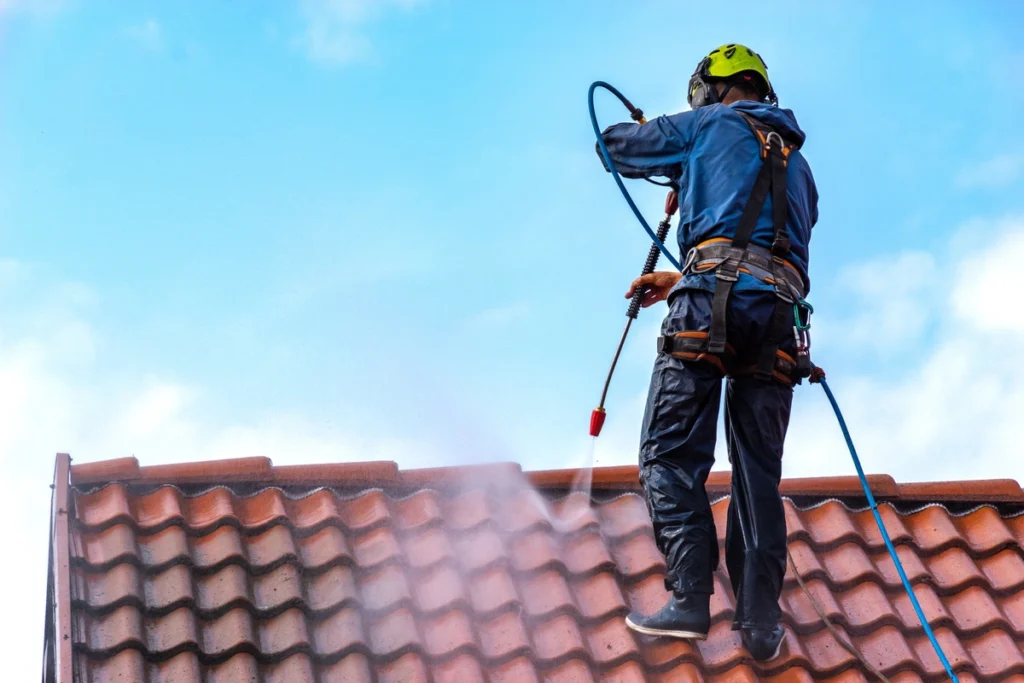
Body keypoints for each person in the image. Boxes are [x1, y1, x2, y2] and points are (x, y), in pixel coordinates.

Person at [595, 44, 818, 662]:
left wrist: (665, 143)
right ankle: (760, 623)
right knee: (756, 475)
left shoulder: (709, 123)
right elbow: (762, 249)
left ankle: (690, 597)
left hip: (708, 309)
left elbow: (612, 144)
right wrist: (680, 271)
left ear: (711, 89)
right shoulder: (800, 167)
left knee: (668, 452)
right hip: (778, 320)